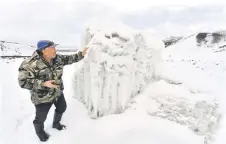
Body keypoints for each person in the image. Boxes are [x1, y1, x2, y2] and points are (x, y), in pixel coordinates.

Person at [17, 40, 88, 142]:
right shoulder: (30, 64)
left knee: (62, 107)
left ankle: (56, 124)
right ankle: (40, 133)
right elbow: (22, 82)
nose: (55, 50)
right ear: (44, 50)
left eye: (55, 47)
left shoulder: (58, 58)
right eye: (52, 48)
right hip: (42, 98)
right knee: (40, 118)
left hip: (57, 92)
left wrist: (82, 53)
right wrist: (43, 83)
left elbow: (71, 58)